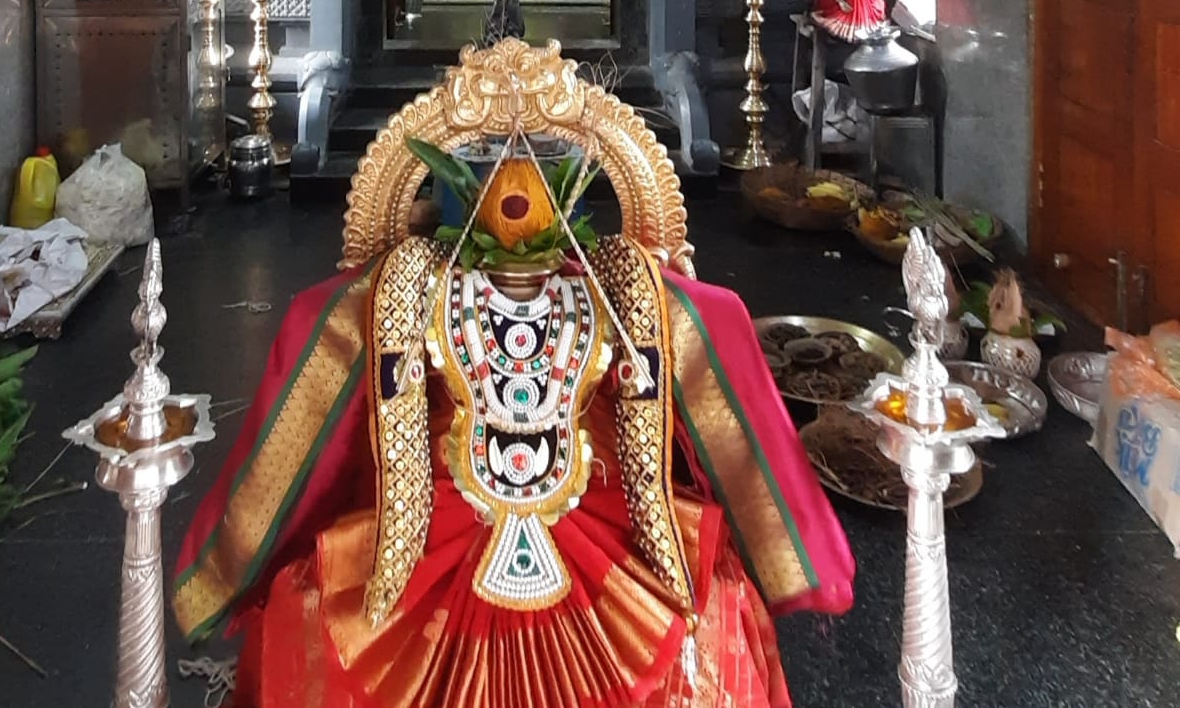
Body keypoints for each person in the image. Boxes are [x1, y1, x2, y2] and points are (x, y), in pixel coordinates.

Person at [173, 39, 854, 708]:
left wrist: (229, 563)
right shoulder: (431, 286)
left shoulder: (593, 286)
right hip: (457, 517)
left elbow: (316, 344)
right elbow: (714, 333)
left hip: (543, 515)